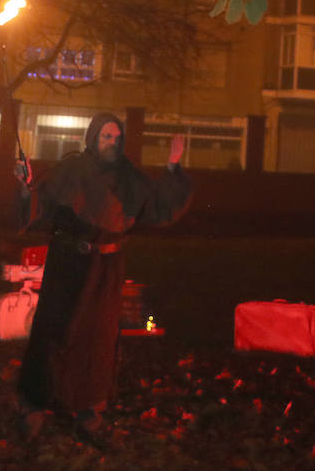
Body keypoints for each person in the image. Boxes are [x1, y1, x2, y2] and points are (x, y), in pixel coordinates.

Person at [16, 113, 191, 443]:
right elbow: (42, 209)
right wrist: (26, 189)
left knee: (97, 338)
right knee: (54, 330)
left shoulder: (129, 177)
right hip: (67, 264)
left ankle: (89, 409)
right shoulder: (70, 169)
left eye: (116, 137)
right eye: (106, 136)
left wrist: (172, 167)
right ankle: (35, 403)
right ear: (93, 137)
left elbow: (158, 208)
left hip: (106, 269)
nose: (112, 142)